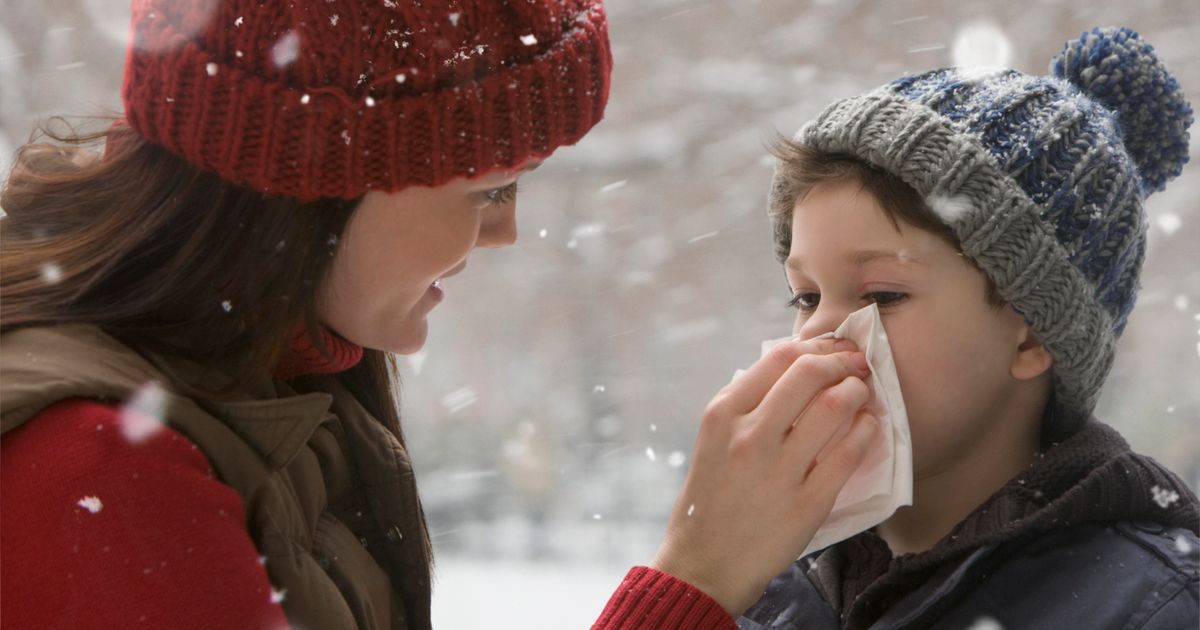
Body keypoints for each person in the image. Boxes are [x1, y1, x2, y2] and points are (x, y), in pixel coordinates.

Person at [0, 1, 880, 629]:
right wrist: (696, 579)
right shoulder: (99, 475)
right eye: (490, 188)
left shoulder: (269, 379)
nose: (506, 232)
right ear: (318, 180)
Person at [738, 26, 1199, 629]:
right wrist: (694, 581)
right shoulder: (759, 583)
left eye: (882, 294)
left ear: (1031, 332)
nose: (817, 334)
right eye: (805, 296)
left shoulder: (1151, 607)